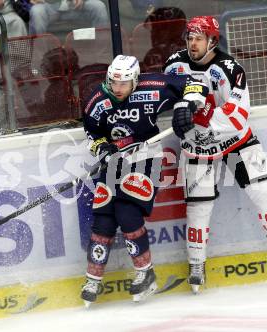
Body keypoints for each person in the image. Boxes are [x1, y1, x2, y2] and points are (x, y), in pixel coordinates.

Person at [163, 16, 267, 293]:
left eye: (198, 38)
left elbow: (239, 116)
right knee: (198, 206)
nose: (192, 43)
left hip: (235, 140)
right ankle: (196, 264)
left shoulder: (230, 68)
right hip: (198, 146)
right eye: (189, 38)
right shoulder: (174, 64)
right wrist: (176, 113)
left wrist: (202, 113)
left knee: (263, 190)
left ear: (212, 41)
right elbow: (165, 97)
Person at [81, 55, 209, 307]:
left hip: (145, 155)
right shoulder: (97, 99)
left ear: (135, 80)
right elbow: (91, 133)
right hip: (115, 160)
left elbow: (196, 83)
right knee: (104, 216)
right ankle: (93, 278)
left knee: (127, 212)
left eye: (124, 83)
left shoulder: (154, 86)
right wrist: (101, 148)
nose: (117, 89)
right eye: (113, 82)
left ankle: (146, 272)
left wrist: (187, 105)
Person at [28, 0, 109, 34]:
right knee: (36, 11)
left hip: (74, 6)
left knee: (98, 7)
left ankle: (101, 53)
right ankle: (40, 58)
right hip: (47, 7)